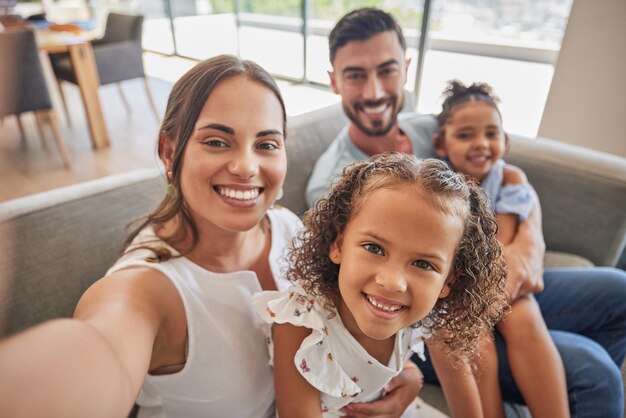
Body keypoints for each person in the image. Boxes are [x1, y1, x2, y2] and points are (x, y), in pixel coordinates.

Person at [0, 55, 421, 418]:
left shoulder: (289, 227)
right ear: (170, 151)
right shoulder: (146, 288)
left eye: (267, 144)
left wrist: (394, 368)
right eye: (218, 141)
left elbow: (338, 328)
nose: (246, 166)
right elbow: (98, 350)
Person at [306, 7, 626, 417]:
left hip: (489, 276)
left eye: (386, 70)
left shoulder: (428, 130)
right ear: (333, 80)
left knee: (619, 290)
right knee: (592, 368)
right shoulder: (332, 181)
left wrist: (527, 244)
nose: (373, 90)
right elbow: (351, 287)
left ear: (406, 69)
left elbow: (509, 175)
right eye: (355, 75)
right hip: (429, 309)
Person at [255, 153, 508, 417]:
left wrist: (411, 375)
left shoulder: (432, 315)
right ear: (338, 245)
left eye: (423, 264)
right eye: (374, 248)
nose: (392, 283)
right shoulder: (299, 325)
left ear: (448, 280)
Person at [432, 80, 569, 418]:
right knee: (471, 337)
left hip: (498, 278)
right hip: (456, 287)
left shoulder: (509, 180)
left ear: (505, 140)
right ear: (441, 143)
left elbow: (501, 246)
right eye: (465, 135)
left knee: (524, 315)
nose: (480, 144)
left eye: (491, 134)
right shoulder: (437, 186)